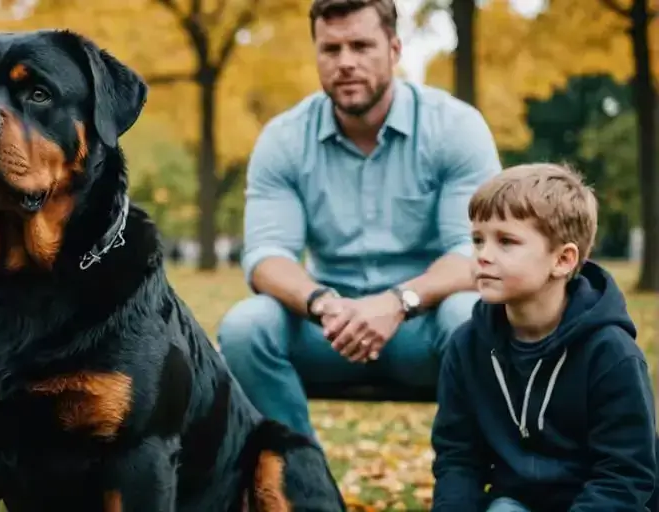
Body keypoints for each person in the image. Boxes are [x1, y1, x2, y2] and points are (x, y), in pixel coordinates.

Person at [216, 0, 502, 439]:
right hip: (327, 328)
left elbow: (475, 254)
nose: (345, 62)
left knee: (473, 315)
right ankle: (299, 487)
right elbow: (267, 255)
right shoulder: (284, 138)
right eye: (331, 50)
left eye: (361, 46)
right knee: (244, 327)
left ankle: (471, 480)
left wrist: (396, 302)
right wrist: (323, 304)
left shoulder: (455, 128)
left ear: (394, 49)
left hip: (422, 325)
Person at [431, 163, 658, 511]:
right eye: (478, 239)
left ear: (563, 260)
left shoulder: (611, 354)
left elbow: (625, 475)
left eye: (506, 241)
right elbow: (458, 460)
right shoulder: (467, 346)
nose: (483, 255)